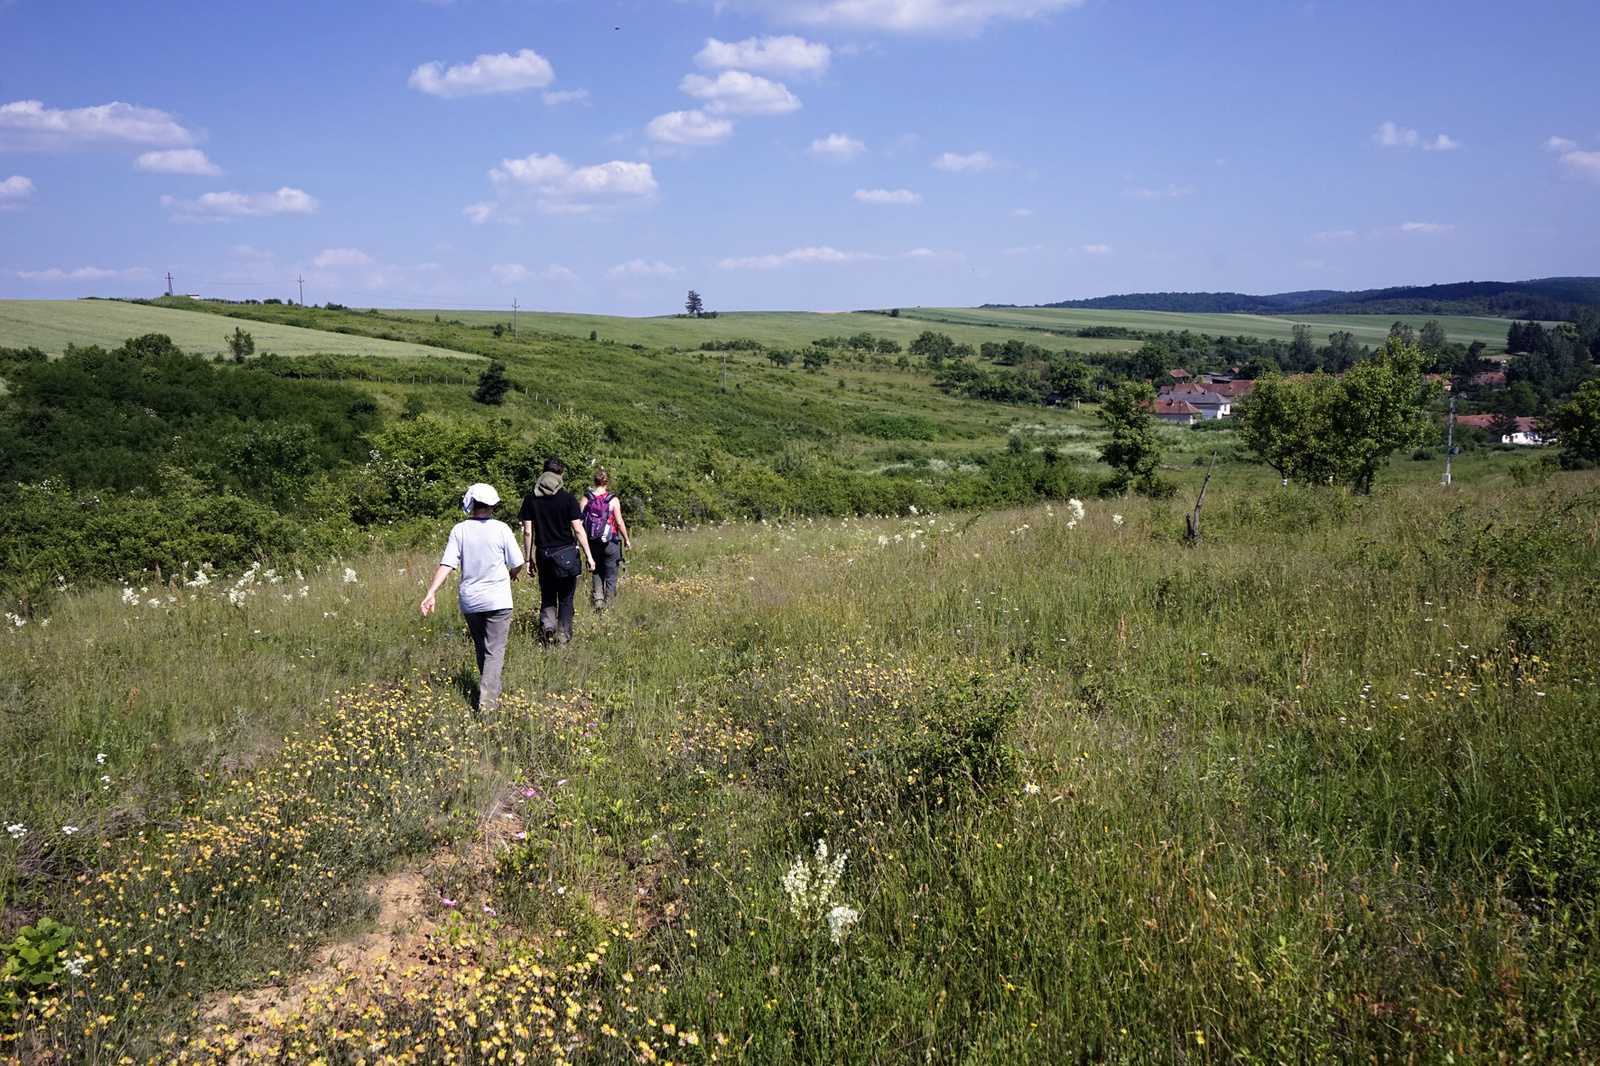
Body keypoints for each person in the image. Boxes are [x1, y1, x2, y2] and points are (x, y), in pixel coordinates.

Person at [420, 483, 524, 711]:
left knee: (482, 648)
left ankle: (491, 691)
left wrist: (431, 591)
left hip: (471, 601)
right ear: (492, 505)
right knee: (494, 651)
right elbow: (517, 563)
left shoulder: (459, 530)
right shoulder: (502, 529)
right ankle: (487, 705)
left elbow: (447, 563)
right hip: (498, 599)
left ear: (473, 505)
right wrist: (512, 575)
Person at [518, 457, 594, 646]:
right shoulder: (568, 499)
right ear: (561, 475)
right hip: (566, 555)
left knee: (548, 594)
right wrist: (589, 556)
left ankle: (548, 627)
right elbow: (578, 529)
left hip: (544, 555)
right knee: (566, 598)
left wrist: (527, 559)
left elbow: (528, 532)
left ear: (543, 474)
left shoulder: (530, 499)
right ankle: (563, 635)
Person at [580, 468, 632, 611]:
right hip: (610, 541)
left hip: (592, 542)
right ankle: (610, 605)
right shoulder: (612, 500)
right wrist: (626, 539)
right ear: (607, 482)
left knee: (596, 570)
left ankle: (598, 601)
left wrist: (577, 543)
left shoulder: (586, 498)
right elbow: (619, 522)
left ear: (594, 481)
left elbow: (579, 523)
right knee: (611, 573)